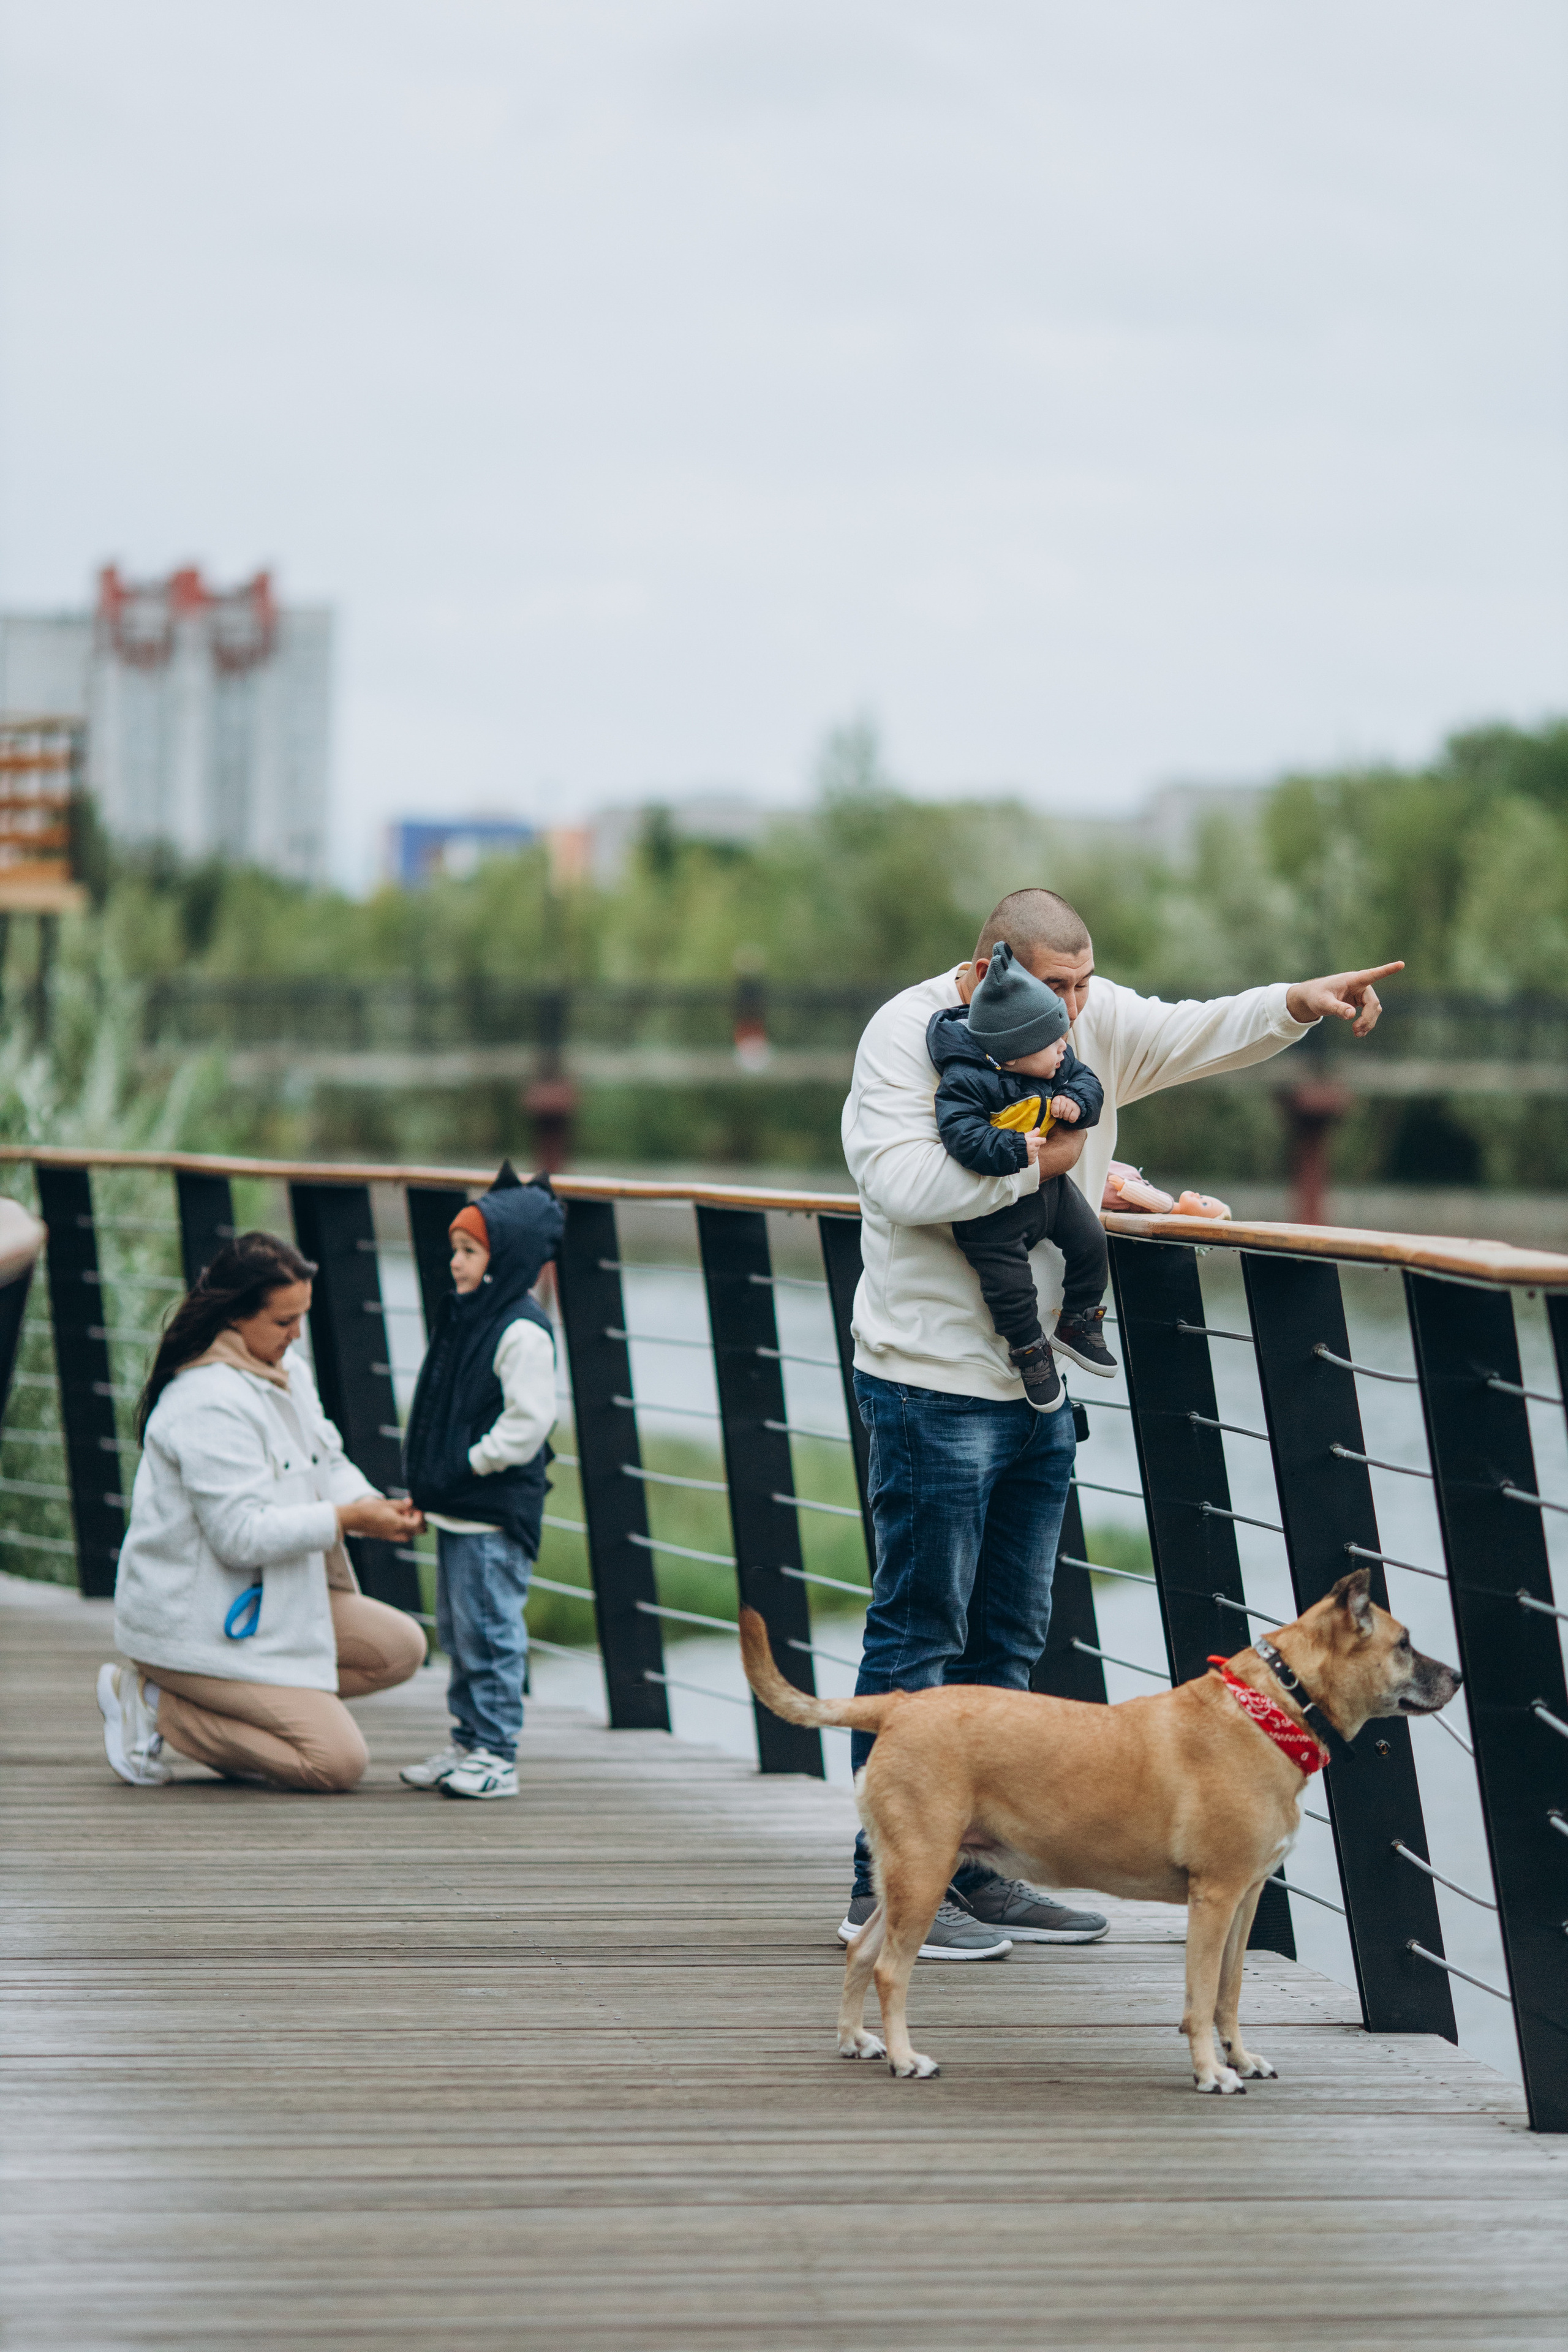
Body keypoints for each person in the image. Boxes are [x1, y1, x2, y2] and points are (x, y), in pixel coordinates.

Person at [840, 884, 1401, 1955]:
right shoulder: (908, 1034)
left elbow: (1192, 1029)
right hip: (929, 1380)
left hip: (1038, 1382)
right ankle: (882, 1890)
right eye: (1057, 987)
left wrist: (1298, 1001)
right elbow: (904, 1181)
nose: (1079, 1007)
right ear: (990, 969)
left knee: (1011, 1633)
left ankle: (977, 1868)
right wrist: (1056, 1163)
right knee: (921, 1628)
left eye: (1087, 983)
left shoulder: (1085, 1020)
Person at [97, 1232, 426, 1793]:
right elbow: (240, 1538)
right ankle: (158, 1705)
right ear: (234, 1316)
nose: (296, 1335)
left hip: (272, 1600)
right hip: (196, 1624)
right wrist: (346, 1520)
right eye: (283, 1322)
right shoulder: (205, 1400)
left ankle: (260, 1704)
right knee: (337, 1763)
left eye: (302, 1318)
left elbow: (328, 1458)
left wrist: (371, 1503)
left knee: (401, 1649)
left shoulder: (286, 1368)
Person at [398, 1162, 564, 1801]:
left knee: (492, 1631)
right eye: (455, 1251)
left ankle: (498, 1752)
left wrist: (471, 1463)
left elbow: (528, 1423)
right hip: (460, 1511)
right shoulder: (470, 1316)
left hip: (492, 1511)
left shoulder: (521, 1332)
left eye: (469, 1252)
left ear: (505, 1258)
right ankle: (468, 1740)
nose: (456, 1263)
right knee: (460, 1631)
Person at [928, 939, 1112, 1413]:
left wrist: (1079, 1103)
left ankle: (1080, 1318)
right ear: (1012, 1053)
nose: (1063, 1047)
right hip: (991, 1214)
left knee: (1092, 1238)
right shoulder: (965, 1080)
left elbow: (1087, 1081)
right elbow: (961, 1136)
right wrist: (1011, 1147)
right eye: (1053, 1044)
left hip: (1051, 1192)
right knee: (1009, 1286)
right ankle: (1030, 1350)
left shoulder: (1053, 1061)